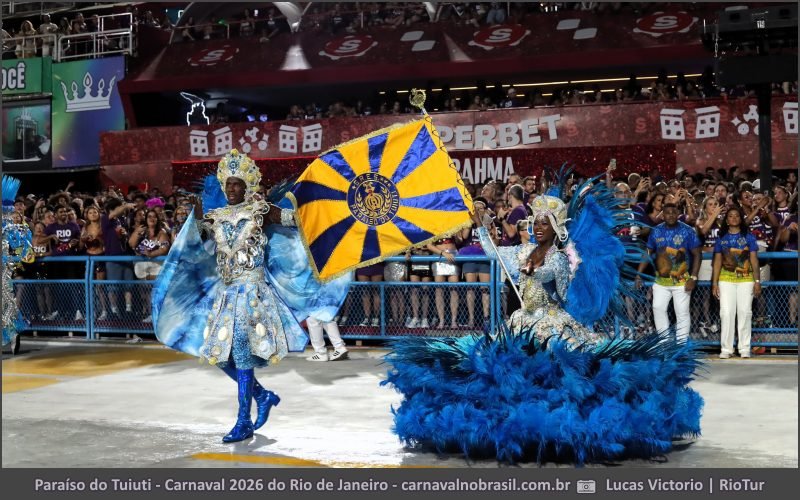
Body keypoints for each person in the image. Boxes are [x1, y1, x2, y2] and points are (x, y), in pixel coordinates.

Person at [384, 176, 703, 464]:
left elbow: (558, 289)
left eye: (543, 224)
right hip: (523, 319)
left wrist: (542, 272)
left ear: (555, 229)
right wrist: (481, 225)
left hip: (553, 321)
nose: (537, 227)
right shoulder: (520, 252)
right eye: (534, 222)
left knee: (555, 373)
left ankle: (552, 421)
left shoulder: (559, 260)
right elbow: (494, 253)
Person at [153, 149, 348, 443]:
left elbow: (296, 222)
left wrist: (316, 204)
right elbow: (197, 242)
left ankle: (243, 421)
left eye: (236, 184)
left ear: (246, 186)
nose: (231, 189)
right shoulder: (216, 216)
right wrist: (194, 216)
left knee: (243, 357)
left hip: (253, 295)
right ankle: (263, 395)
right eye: (227, 184)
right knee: (218, 355)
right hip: (226, 294)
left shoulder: (260, 211)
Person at [638, 203, 701, 342]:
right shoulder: (656, 231)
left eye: (674, 212)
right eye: (667, 212)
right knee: (658, 308)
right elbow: (648, 251)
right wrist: (639, 274)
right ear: (663, 214)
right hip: (661, 281)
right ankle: (664, 344)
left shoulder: (688, 230)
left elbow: (697, 254)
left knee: (682, 312)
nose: (671, 215)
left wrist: (694, 277)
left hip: (682, 280)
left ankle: (681, 346)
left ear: (678, 213)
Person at [712, 206, 761, 359]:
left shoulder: (749, 237)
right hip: (726, 279)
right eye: (730, 216)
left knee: (745, 312)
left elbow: (754, 259)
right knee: (726, 313)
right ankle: (726, 349)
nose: (733, 218)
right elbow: (718, 261)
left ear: (741, 219)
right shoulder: (721, 238)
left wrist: (757, 281)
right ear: (726, 220)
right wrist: (714, 282)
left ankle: (744, 348)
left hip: (746, 279)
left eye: (736, 216)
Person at [2, 176, 33, 355]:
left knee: (7, 302)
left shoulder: (15, 229)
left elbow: (26, 253)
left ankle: (13, 333)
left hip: (4, 272)